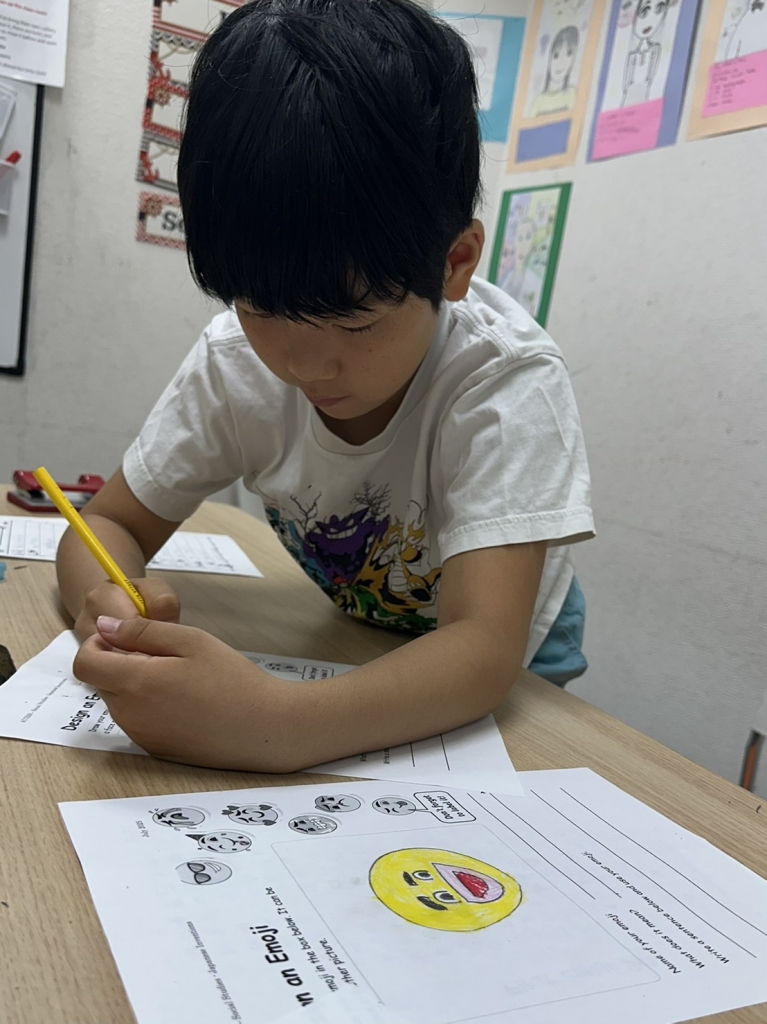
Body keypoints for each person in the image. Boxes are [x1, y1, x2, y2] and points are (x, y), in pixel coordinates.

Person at [61, 0, 594, 773]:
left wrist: (275, 724)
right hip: (359, 628)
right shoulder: (233, 363)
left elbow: (481, 648)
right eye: (258, 307)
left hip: (510, 656)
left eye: (354, 322)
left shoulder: (502, 384)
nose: (303, 365)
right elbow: (109, 524)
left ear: (453, 263)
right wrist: (109, 606)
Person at [529, 25, 580, 117]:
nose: (561, 63)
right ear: (549, 58)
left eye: (569, 54)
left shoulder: (572, 94)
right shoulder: (539, 101)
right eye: (556, 55)